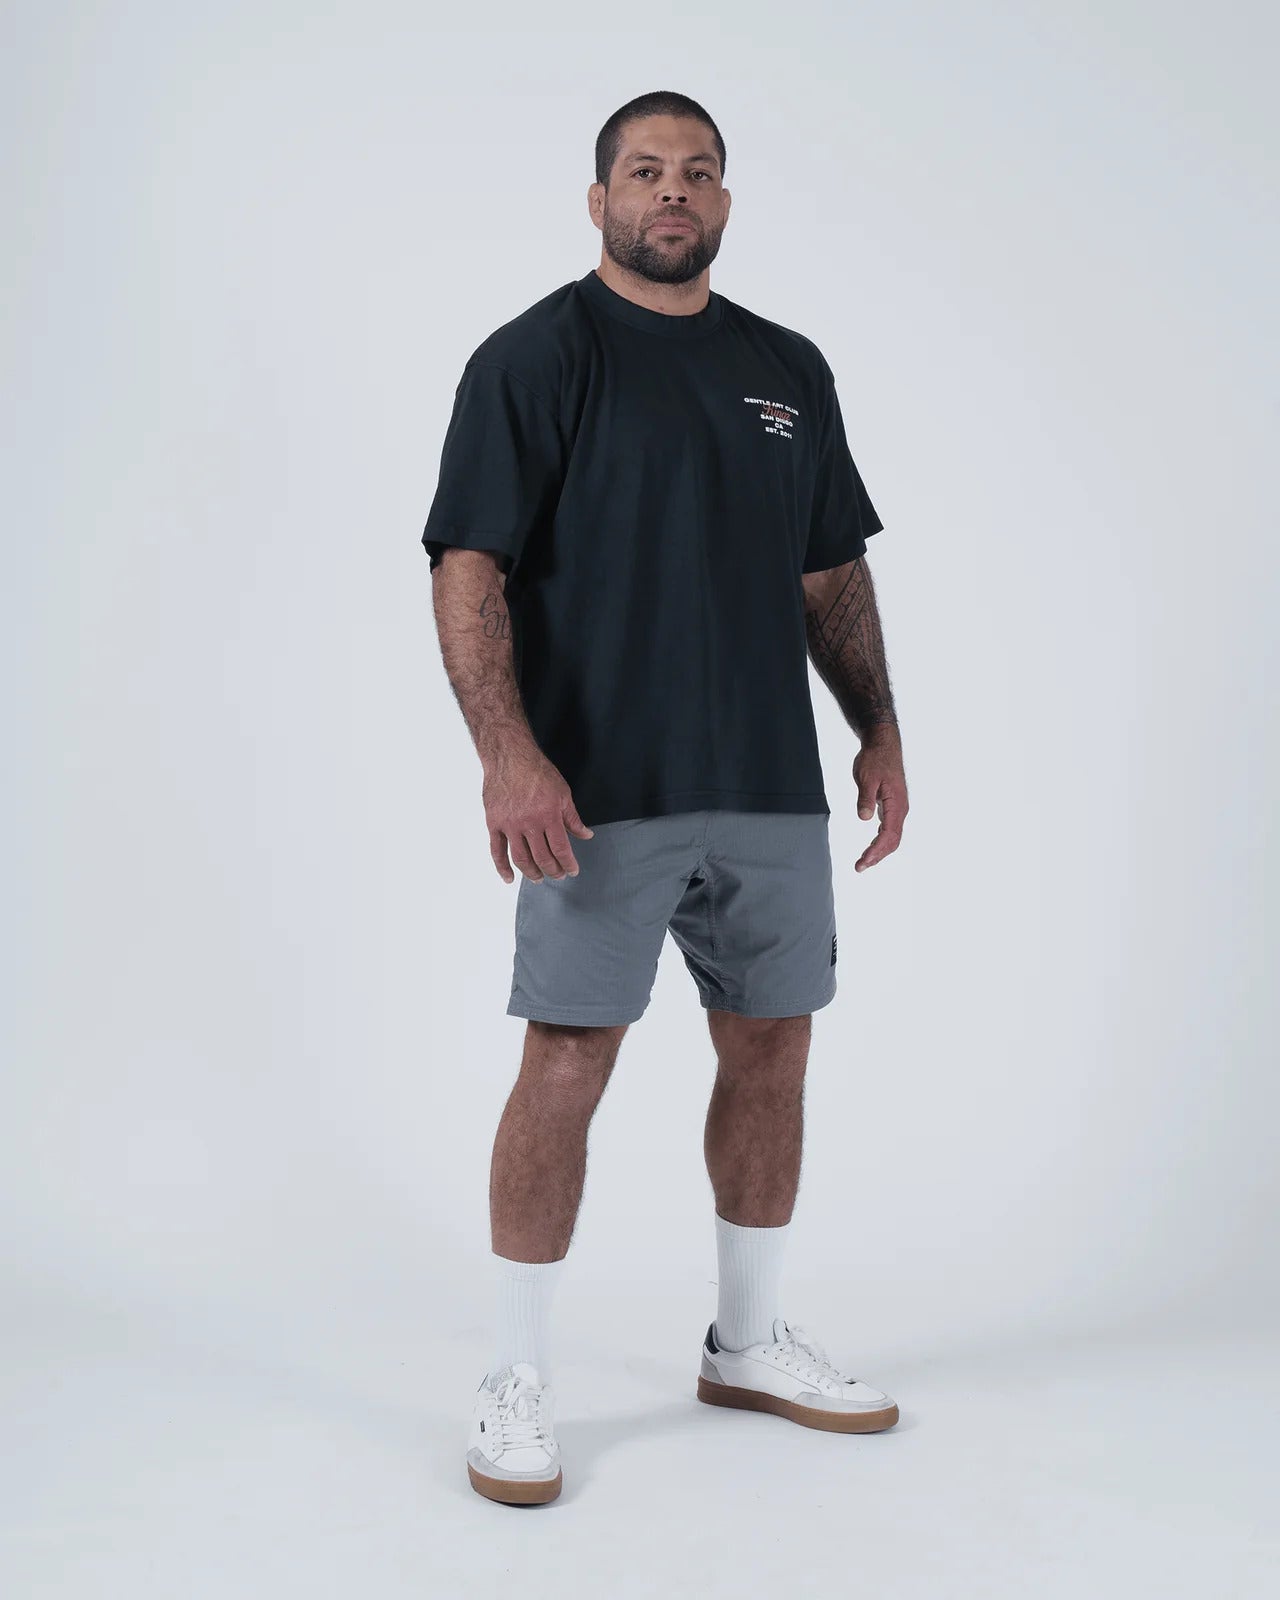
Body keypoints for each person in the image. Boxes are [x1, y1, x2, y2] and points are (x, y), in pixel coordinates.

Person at [421, 89, 909, 1507]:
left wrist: (879, 726)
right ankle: (517, 1378)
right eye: (644, 172)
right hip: (599, 791)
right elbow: (467, 565)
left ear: (726, 201)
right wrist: (507, 753)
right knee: (569, 1059)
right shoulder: (533, 359)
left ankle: (746, 1344)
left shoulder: (787, 369)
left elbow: (830, 570)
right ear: (600, 201)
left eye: (697, 172)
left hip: (767, 780)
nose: (672, 192)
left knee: (773, 1051)